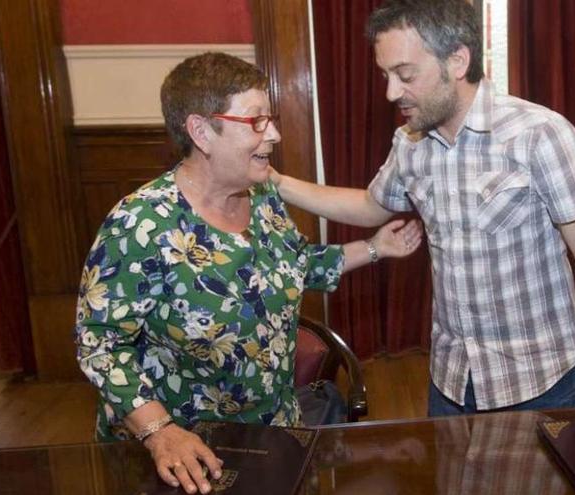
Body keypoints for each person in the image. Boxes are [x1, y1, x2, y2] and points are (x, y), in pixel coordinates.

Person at [273, 0, 575, 437]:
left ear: (457, 60)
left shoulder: (540, 135)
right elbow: (371, 206)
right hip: (450, 379)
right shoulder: (410, 143)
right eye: (385, 75)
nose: (392, 92)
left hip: (538, 380)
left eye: (406, 75)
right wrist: (277, 182)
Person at [74, 52, 422, 494]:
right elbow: (99, 343)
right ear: (201, 131)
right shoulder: (139, 225)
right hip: (183, 459)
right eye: (256, 121)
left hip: (272, 438)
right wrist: (158, 431)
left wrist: (376, 247)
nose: (273, 134)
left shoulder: (261, 198)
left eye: (270, 119)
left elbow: (295, 265)